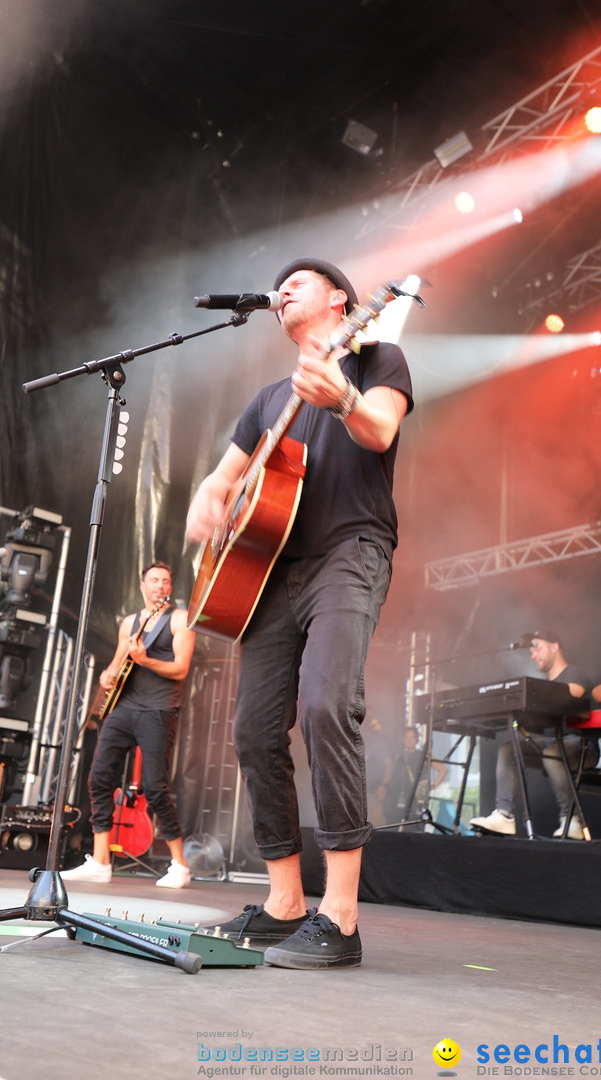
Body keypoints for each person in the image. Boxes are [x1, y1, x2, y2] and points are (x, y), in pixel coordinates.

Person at [185, 257, 413, 968]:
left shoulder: (378, 355)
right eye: (278, 286)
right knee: (253, 730)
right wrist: (209, 498)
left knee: (324, 705)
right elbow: (224, 478)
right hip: (270, 573)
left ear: (343, 300)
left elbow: (378, 429)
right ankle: (285, 902)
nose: (282, 289)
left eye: (301, 281)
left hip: (351, 548)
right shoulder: (265, 400)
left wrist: (343, 398)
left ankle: (339, 917)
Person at [61, 561, 196, 888]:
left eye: (166, 580)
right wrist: (106, 677)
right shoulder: (130, 623)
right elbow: (118, 663)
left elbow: (180, 669)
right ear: (142, 585)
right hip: (124, 708)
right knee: (99, 777)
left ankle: (179, 865)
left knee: (154, 786)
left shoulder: (179, 620)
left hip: (158, 710)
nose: (160, 585)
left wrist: (146, 659)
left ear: (170, 586)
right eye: (154, 580)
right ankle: (101, 861)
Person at [469, 629, 596, 840]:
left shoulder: (576, 674)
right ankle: (504, 815)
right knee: (509, 749)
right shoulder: (543, 685)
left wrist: (532, 698)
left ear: (555, 647)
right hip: (550, 742)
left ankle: (571, 819)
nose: (533, 655)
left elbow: (568, 697)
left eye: (537, 648)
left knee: (553, 753)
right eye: (531, 651)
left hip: (581, 745)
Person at [377, 725, 448, 825]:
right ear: (403, 739)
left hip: (417, 800)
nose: (409, 740)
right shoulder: (398, 756)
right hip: (399, 800)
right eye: (407, 737)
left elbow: (443, 770)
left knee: (414, 827)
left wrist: (432, 786)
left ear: (417, 740)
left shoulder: (424, 756)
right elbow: (391, 773)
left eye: (412, 737)